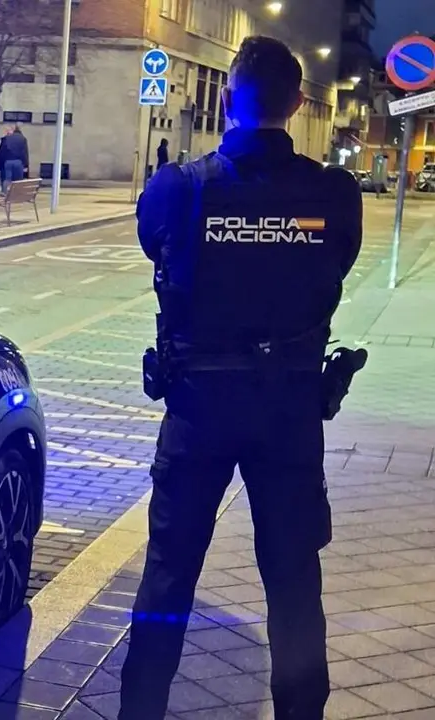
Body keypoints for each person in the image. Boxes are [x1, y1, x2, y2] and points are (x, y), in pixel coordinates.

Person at [120, 36, 362, 720]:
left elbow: (153, 247)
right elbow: (335, 265)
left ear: (227, 100)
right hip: (287, 413)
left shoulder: (178, 190)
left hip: (198, 408)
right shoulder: (332, 195)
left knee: (168, 576)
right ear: (295, 104)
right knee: (292, 582)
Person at [0, 125, 29, 193]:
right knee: (18, 180)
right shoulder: (22, 139)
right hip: (19, 162)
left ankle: (4, 192)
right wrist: (26, 165)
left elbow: (1, 152)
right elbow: (25, 152)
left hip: (7, 162)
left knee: (7, 179)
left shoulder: (6, 139)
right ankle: (17, 193)